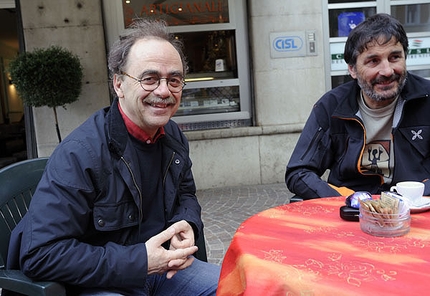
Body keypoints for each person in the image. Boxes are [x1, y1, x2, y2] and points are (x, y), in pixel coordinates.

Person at [7, 19, 220, 295]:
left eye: (174, 80)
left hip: (164, 271)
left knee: (241, 286)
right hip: (100, 282)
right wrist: (140, 261)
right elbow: (41, 254)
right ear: (119, 84)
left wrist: (187, 222)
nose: (164, 91)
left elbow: (185, 194)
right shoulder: (80, 153)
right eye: (149, 78)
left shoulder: (173, 136)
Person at [285, 13, 430, 200]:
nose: (387, 71)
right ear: (352, 69)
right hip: (351, 214)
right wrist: (344, 199)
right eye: (373, 61)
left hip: (418, 210)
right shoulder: (331, 106)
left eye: (394, 57)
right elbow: (299, 171)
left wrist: (418, 194)